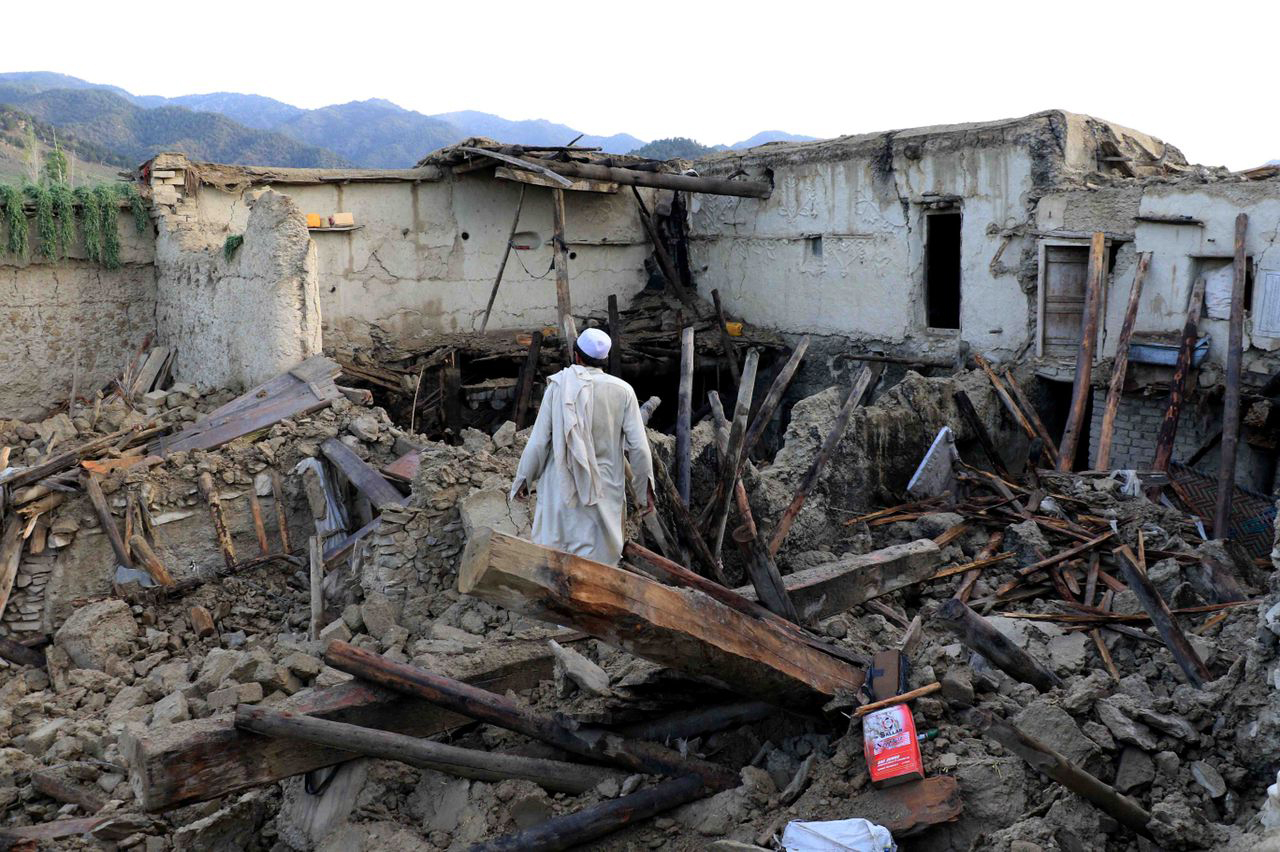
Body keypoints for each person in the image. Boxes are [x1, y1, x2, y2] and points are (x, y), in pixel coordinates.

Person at [511, 328, 655, 566]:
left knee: (555, 564)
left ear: (576, 356)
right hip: (603, 494)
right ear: (604, 361)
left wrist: (523, 481)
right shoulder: (623, 391)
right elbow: (639, 448)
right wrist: (644, 492)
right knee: (599, 568)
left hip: (561, 490)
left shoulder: (557, 388)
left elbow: (538, 442)